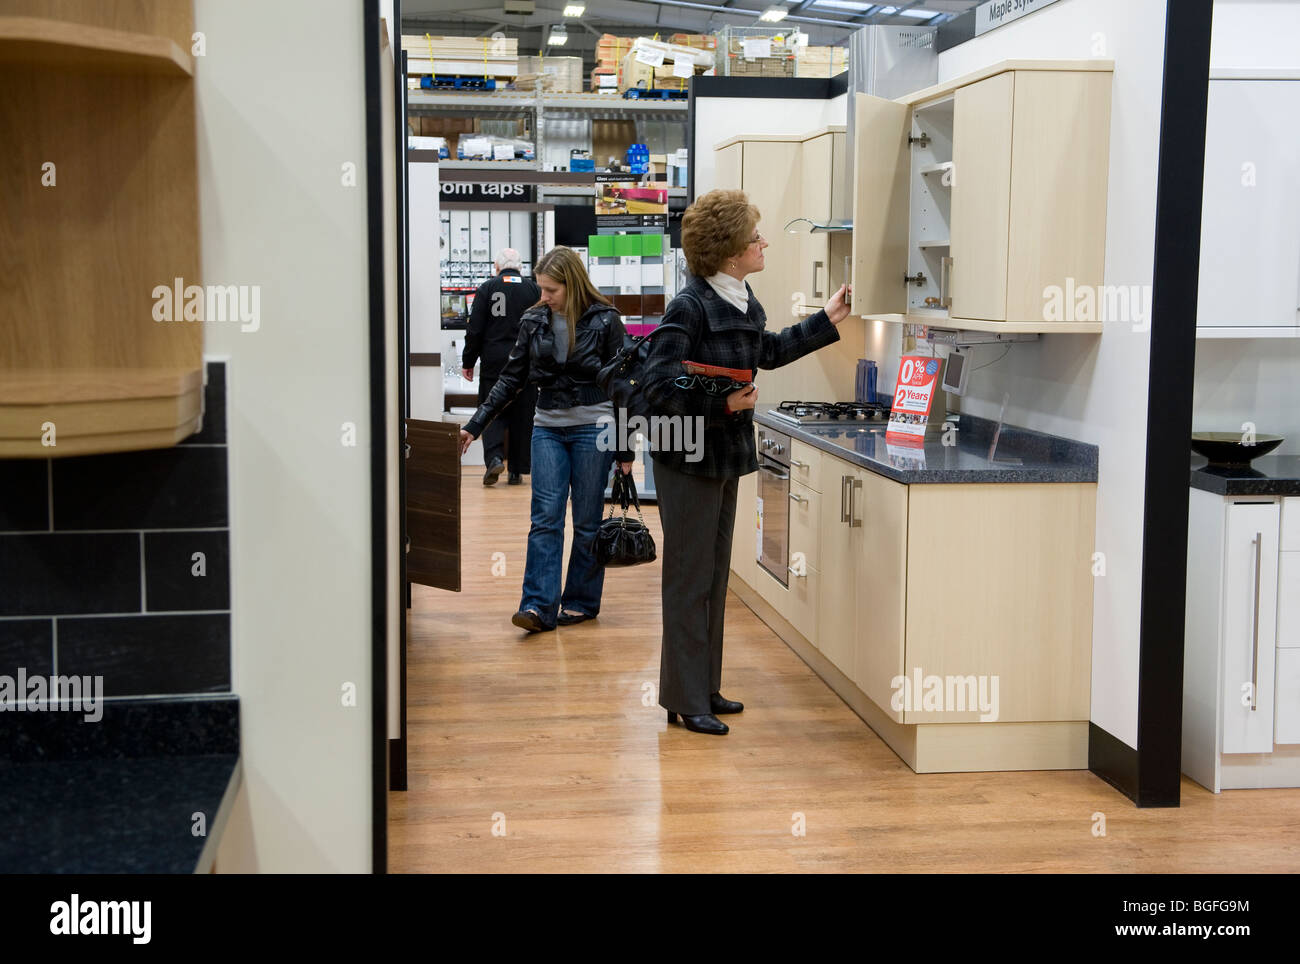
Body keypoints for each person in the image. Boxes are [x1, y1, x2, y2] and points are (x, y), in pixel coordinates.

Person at [641, 189, 854, 735]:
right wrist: (721, 401)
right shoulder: (689, 306)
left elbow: (769, 351)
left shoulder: (739, 295)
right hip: (686, 455)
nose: (762, 242)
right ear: (730, 251)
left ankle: (702, 689)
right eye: (753, 236)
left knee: (713, 577)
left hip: (721, 453)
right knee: (689, 580)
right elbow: (656, 385)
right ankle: (685, 700)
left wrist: (826, 317)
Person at [459, 246, 635, 633]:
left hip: (596, 428)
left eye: (550, 290)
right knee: (545, 520)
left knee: (587, 521)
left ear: (571, 285)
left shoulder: (606, 321)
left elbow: (623, 387)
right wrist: (475, 424)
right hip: (547, 427)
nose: (543, 297)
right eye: (541, 288)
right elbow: (510, 378)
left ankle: (580, 602)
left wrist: (625, 449)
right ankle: (538, 606)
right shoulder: (534, 319)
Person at [463, 248, 540, 486]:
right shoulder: (533, 289)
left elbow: (475, 328)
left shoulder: (487, 288)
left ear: (497, 267)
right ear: (521, 267)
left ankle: (495, 457)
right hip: (525, 360)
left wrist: (469, 361)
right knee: (523, 414)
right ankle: (517, 469)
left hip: (494, 359)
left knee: (492, 407)